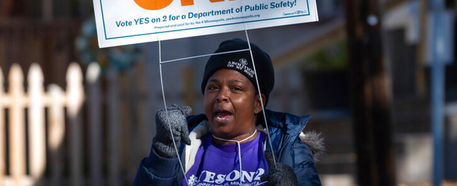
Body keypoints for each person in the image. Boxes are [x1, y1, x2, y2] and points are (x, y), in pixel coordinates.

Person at [133, 38, 323, 186]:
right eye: (213, 87)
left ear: (258, 103)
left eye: (236, 88)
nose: (221, 96)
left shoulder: (289, 149)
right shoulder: (183, 147)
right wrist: (163, 153)